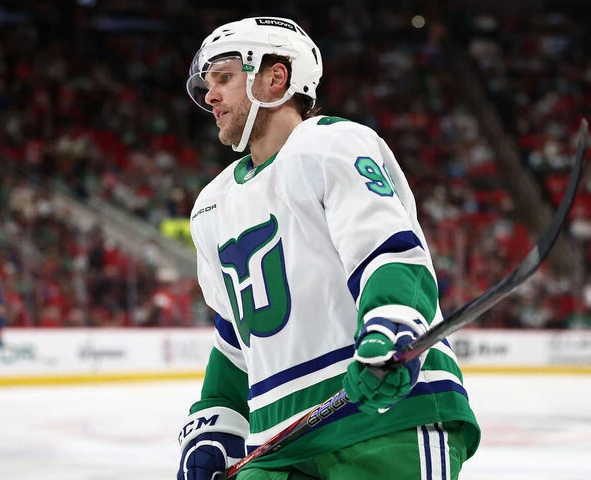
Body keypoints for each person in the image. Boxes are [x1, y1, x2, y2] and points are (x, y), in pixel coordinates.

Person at [178, 16, 480, 480]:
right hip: (277, 443)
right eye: (208, 84)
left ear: (275, 78)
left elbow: (389, 251)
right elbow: (234, 340)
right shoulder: (210, 207)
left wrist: (389, 329)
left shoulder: (329, 143)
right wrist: (215, 424)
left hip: (380, 420)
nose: (210, 96)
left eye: (224, 78)